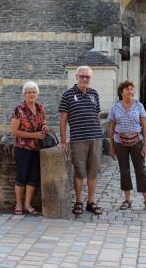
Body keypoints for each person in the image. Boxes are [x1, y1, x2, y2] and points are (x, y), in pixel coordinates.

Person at [59, 66, 103, 215]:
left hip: (95, 139)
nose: (85, 79)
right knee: (79, 172)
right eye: (82, 76)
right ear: (76, 77)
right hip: (78, 140)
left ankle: (91, 202)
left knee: (93, 172)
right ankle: (78, 201)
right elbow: (63, 119)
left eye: (87, 77)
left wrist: (100, 134)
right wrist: (63, 141)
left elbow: (97, 115)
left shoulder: (94, 94)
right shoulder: (67, 95)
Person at [108, 81, 146, 212]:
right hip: (120, 142)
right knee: (124, 170)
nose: (130, 91)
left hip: (136, 142)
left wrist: (145, 145)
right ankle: (127, 200)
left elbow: (144, 126)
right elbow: (111, 127)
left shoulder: (139, 106)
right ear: (121, 92)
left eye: (132, 89)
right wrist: (111, 146)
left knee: (141, 170)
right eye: (127, 89)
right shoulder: (115, 107)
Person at [9, 81, 48, 215]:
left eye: (34, 92)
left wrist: (44, 128)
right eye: (29, 92)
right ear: (24, 94)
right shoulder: (18, 110)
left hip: (37, 149)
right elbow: (14, 131)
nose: (31, 94)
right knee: (21, 177)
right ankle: (19, 204)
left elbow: (43, 124)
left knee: (33, 177)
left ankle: (28, 204)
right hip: (22, 148)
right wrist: (34, 135)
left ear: (37, 94)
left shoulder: (40, 108)